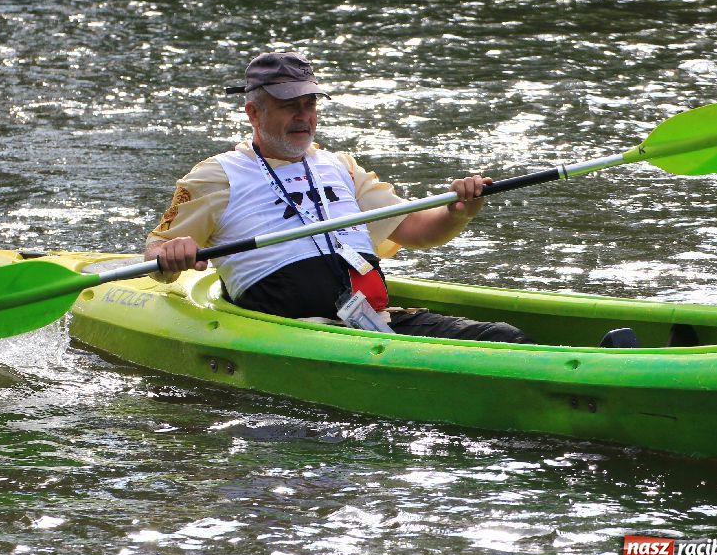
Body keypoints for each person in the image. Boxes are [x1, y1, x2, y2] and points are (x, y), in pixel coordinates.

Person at [144, 51, 532, 344]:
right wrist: (169, 255)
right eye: (288, 105)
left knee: (504, 337)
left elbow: (417, 230)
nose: (303, 116)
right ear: (253, 113)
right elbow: (157, 256)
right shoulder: (216, 175)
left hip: (372, 322)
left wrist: (459, 212)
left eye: (309, 104)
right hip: (287, 335)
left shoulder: (341, 166)